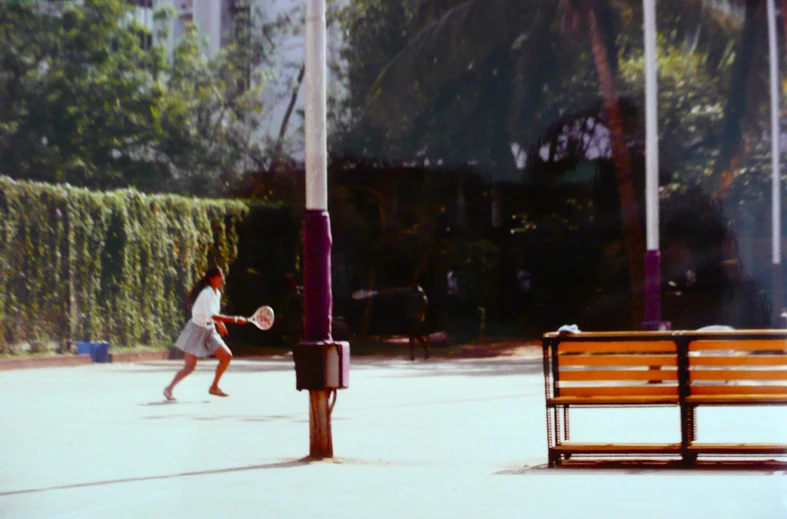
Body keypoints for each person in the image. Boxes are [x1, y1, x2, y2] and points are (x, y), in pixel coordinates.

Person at [163, 267, 249, 401]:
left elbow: (213, 314)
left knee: (227, 356)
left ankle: (214, 387)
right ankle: (169, 388)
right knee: (190, 367)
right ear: (211, 278)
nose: (222, 280)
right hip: (195, 330)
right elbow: (213, 315)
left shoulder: (217, 293)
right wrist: (236, 319)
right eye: (219, 277)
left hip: (210, 330)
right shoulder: (206, 293)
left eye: (222, 277)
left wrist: (220, 324)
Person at [405, 282, 430, 361]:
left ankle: (426, 350)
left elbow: (425, 303)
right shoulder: (410, 292)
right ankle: (412, 354)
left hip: (417, 317)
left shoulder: (419, 292)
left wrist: (420, 313)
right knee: (411, 336)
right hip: (411, 316)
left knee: (417, 335)